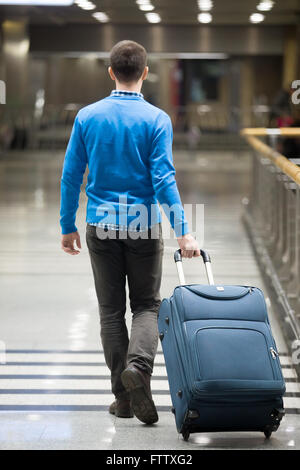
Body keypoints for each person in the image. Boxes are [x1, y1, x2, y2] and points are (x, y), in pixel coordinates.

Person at [60, 40, 200, 425]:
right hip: (142, 224)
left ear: (111, 72)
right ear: (145, 72)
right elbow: (163, 180)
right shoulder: (156, 119)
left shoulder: (88, 117)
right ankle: (138, 368)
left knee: (110, 313)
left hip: (99, 224)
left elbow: (72, 175)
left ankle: (123, 400)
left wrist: (66, 225)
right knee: (146, 305)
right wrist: (184, 231)